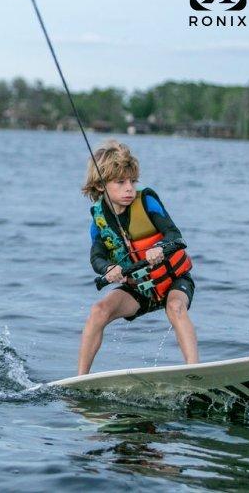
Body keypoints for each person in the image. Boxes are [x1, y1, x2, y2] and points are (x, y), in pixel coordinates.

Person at [77, 140, 198, 375]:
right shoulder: (99, 221)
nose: (129, 188)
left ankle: (194, 371)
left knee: (175, 307)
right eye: (120, 182)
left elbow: (175, 234)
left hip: (173, 280)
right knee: (99, 310)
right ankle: (80, 378)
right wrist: (108, 268)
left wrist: (161, 247)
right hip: (140, 288)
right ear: (100, 186)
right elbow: (97, 257)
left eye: (132, 181)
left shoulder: (147, 201)